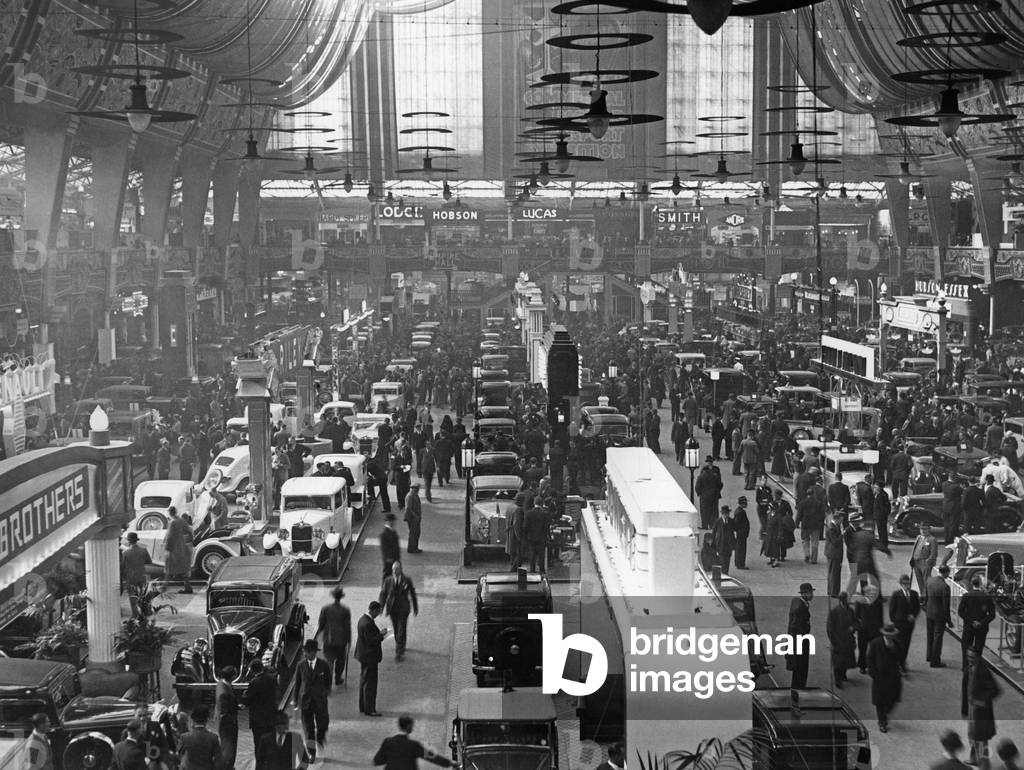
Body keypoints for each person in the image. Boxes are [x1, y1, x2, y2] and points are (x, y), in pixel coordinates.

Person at [293, 639, 331, 760]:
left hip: (320, 701)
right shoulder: (300, 665)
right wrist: (295, 701)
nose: (304, 654)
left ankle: (320, 738)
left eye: (306, 652)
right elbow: (297, 684)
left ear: (313, 653)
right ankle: (312, 753)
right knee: (309, 730)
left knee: (323, 725)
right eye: (304, 652)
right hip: (305, 702)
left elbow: (328, 682)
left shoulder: (324, 665)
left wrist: (324, 693)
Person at [373, 714, 454, 770]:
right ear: (408, 726)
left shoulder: (387, 742)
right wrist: (450, 763)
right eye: (412, 725)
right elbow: (432, 757)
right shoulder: (413, 745)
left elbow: (377, 761)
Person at [967, 648, 1001, 767]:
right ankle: (974, 759)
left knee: (980, 739)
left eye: (972, 657)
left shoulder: (983, 671)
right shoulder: (971, 667)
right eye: (968, 656)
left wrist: (981, 701)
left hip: (981, 711)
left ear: (978, 657)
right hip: (974, 708)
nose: (969, 659)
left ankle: (984, 764)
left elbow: (996, 690)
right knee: (974, 735)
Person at [866, 624, 902, 733]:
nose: (890, 637)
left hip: (893, 677)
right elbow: (870, 658)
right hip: (880, 677)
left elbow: (900, 658)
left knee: (892, 699)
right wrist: (873, 673)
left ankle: (885, 714)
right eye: (888, 635)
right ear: (884, 634)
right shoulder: (875, 643)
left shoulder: (896, 644)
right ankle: (882, 722)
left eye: (892, 635)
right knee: (880, 702)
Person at [380, 561, 418, 660]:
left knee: (401, 628)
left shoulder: (407, 580)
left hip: (403, 609)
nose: (394, 571)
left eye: (396, 569)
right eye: (393, 569)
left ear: (400, 569)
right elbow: (383, 594)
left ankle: (399, 651)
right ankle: (401, 644)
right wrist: (381, 607)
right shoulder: (388, 581)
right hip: (392, 609)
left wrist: (415, 607)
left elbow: (413, 594)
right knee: (397, 628)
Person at [356, 600, 388, 716]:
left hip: (364, 655)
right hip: (370, 657)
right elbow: (371, 641)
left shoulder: (363, 620)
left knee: (364, 681)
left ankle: (363, 706)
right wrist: (382, 634)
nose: (378, 614)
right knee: (370, 684)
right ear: (373, 610)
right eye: (378, 612)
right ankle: (370, 709)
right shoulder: (368, 623)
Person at [315, 586, 352, 686]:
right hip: (341, 640)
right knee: (341, 660)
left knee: (329, 661)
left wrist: (317, 639)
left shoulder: (325, 609)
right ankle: (338, 677)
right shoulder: (345, 610)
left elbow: (321, 624)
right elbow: (347, 627)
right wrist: (349, 641)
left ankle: (328, 682)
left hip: (329, 640)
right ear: (341, 597)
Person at [243, 660, 278, 751]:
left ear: (252, 670)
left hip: (257, 720)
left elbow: (248, 700)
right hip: (271, 717)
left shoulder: (253, 682)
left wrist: (244, 695)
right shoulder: (272, 679)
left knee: (258, 744)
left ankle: (260, 763)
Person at [889, 574, 920, 673]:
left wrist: (913, 616)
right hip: (899, 625)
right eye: (905, 584)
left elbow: (917, 608)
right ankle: (898, 663)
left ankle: (902, 663)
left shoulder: (914, 594)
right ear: (901, 584)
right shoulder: (896, 594)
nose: (908, 586)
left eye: (909, 584)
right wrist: (895, 621)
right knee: (899, 644)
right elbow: (892, 610)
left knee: (906, 644)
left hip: (909, 625)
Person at [826, 591, 857, 687]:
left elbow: (856, 622)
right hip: (838, 640)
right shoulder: (834, 612)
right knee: (838, 662)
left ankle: (843, 675)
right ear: (840, 600)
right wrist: (834, 641)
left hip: (848, 640)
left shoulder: (850, 610)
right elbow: (830, 628)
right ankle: (837, 679)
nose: (845, 601)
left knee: (846, 660)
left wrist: (853, 627)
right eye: (843, 599)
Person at [926, 565, 953, 668]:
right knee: (938, 638)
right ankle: (935, 660)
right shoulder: (945, 587)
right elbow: (946, 606)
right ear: (945, 572)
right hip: (939, 615)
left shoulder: (929, 580)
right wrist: (949, 621)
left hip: (929, 612)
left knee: (930, 635)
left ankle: (929, 656)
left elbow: (926, 596)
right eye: (948, 572)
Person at [787, 582, 813, 689]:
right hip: (800, 643)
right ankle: (799, 688)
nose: (812, 595)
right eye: (810, 593)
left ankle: (797, 687)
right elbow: (796, 626)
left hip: (797, 641)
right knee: (801, 667)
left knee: (798, 668)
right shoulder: (800, 608)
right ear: (805, 594)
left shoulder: (796, 601)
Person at [178, 706, 221, 770]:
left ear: (193, 720)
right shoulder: (214, 737)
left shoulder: (184, 737)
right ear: (207, 720)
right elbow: (218, 759)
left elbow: (179, 755)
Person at [121, 532, 152, 618]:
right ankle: (146, 611)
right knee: (143, 594)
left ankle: (135, 614)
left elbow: (122, 566)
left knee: (132, 595)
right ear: (136, 540)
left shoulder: (125, 553)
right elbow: (149, 561)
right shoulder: (143, 550)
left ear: (129, 541)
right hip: (141, 575)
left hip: (130, 577)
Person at [854, 584, 884, 675]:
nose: (874, 595)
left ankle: (873, 666)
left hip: (875, 630)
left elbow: (880, 618)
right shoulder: (860, 603)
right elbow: (856, 616)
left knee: (874, 650)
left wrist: (881, 630)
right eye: (872, 593)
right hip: (863, 631)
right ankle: (862, 666)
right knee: (862, 649)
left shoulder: (878, 603)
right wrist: (859, 627)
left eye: (875, 593)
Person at [163, 506, 193, 594]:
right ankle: (188, 587)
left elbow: (170, 537)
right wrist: (189, 541)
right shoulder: (181, 521)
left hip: (174, 548)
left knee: (169, 568)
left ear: (170, 513)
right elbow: (189, 531)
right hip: (182, 547)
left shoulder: (172, 522)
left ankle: (164, 587)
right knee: (183, 569)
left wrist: (167, 549)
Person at [214, 666, 239, 770]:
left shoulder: (221, 684)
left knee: (227, 745)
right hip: (228, 724)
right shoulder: (224, 692)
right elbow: (225, 710)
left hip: (225, 721)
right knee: (229, 746)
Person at [795, 489, 826, 565]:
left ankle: (807, 554)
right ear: (814, 494)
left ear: (807, 494)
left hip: (805, 524)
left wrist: (797, 523)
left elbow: (799, 514)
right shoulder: (819, 503)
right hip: (816, 525)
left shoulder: (802, 503)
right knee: (815, 542)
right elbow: (823, 515)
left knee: (805, 540)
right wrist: (820, 522)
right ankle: (814, 559)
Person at [910, 522, 938, 598]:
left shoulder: (932, 539)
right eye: (921, 529)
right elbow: (915, 548)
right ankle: (923, 596)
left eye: (925, 529)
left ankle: (928, 597)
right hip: (916, 562)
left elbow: (934, 553)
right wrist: (912, 559)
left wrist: (928, 562)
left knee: (926, 581)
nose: (923, 531)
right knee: (919, 581)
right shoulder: (919, 537)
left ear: (929, 529)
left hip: (925, 563)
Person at [694, 457, 722, 530]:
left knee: (704, 510)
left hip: (704, 496)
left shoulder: (701, 476)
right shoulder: (715, 475)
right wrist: (717, 491)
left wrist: (700, 493)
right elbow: (720, 484)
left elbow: (697, 486)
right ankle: (713, 525)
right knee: (713, 511)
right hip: (714, 495)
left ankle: (705, 525)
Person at [823, 512, 846, 597]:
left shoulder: (834, 526)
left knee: (832, 573)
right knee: (834, 573)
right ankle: (834, 592)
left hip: (832, 553)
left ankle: (832, 591)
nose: (841, 522)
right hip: (834, 553)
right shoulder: (832, 528)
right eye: (841, 520)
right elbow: (835, 541)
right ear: (836, 519)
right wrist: (842, 535)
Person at [710, 505, 735, 575]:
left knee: (727, 558)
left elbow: (734, 530)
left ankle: (726, 573)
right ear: (722, 514)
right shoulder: (718, 521)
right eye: (724, 514)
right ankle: (722, 573)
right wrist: (713, 543)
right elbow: (714, 532)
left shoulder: (731, 521)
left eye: (727, 513)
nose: (726, 515)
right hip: (720, 543)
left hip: (729, 544)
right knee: (721, 559)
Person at [380, 514, 401, 581]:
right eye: (392, 521)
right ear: (389, 521)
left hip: (395, 558)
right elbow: (384, 549)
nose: (394, 522)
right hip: (389, 560)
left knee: (396, 575)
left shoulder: (393, 531)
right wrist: (389, 558)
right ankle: (384, 590)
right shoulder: (384, 534)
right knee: (387, 575)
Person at [732, 496, 750, 570]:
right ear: (742, 503)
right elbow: (736, 523)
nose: (746, 504)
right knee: (741, 549)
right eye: (745, 503)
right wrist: (741, 530)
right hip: (741, 534)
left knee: (740, 548)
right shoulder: (740, 512)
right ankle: (740, 564)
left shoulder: (739, 511)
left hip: (741, 533)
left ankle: (739, 563)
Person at [405, 484, 423, 554]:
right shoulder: (410, 496)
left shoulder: (415, 495)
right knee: (413, 533)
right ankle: (411, 548)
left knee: (417, 533)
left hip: (416, 517)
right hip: (412, 518)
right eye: (416, 489)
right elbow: (408, 508)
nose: (418, 490)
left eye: (418, 489)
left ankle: (415, 547)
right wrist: (415, 516)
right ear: (412, 489)